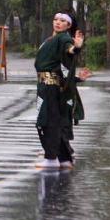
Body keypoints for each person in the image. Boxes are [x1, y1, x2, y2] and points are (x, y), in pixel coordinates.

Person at [34, 10, 85, 169]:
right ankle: (64, 158)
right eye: (56, 19)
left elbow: (69, 49)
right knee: (53, 121)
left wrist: (76, 48)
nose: (58, 22)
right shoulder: (52, 39)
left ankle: (51, 158)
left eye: (63, 20)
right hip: (46, 85)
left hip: (50, 86)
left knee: (46, 122)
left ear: (68, 25)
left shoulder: (63, 38)